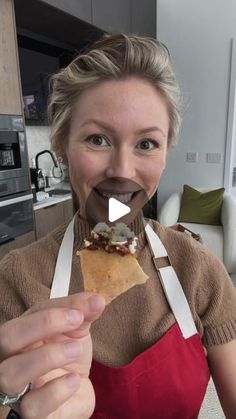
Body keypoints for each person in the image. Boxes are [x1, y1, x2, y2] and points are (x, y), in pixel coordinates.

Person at [0, 33, 236, 419]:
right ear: (62, 144)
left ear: (166, 153)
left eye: (146, 144)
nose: (122, 172)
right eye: (98, 139)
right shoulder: (17, 278)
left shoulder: (198, 270)